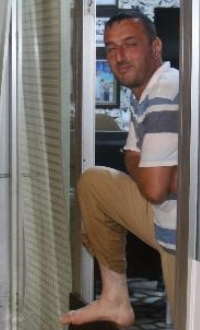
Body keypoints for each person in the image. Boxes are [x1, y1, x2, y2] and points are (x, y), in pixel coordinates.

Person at [60, 11, 179, 327]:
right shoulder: (143, 95)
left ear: (156, 47)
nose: (119, 56)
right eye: (111, 48)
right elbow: (131, 158)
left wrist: (157, 175)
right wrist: (160, 174)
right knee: (95, 182)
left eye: (130, 44)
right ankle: (114, 299)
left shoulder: (166, 89)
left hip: (187, 235)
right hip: (164, 214)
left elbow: (153, 188)